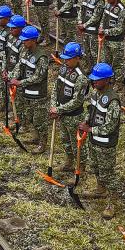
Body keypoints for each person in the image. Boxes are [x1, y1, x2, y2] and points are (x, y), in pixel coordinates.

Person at [78, 62, 121, 219]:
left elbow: (110, 126)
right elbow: (91, 111)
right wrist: (86, 122)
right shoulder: (95, 93)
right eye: (93, 79)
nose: (94, 82)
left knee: (108, 174)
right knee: (95, 167)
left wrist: (91, 130)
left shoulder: (113, 101)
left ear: (107, 80)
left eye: (97, 79)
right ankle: (100, 188)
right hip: (93, 140)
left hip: (106, 144)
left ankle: (112, 203)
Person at [50, 42, 89, 182]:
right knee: (65, 140)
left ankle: (81, 168)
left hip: (74, 116)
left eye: (69, 58)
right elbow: (56, 87)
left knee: (76, 144)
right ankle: (69, 161)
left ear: (78, 58)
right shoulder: (63, 69)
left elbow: (77, 101)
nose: (65, 61)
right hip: (61, 114)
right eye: (65, 58)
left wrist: (58, 109)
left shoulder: (81, 78)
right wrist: (54, 106)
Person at [9, 25, 50, 154]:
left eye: (25, 40)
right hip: (26, 91)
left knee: (40, 120)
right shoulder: (24, 51)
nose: (23, 42)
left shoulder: (42, 57)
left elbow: (38, 77)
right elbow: (19, 66)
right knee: (30, 116)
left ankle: (43, 143)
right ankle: (35, 137)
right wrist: (11, 77)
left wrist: (20, 82)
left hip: (38, 94)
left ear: (33, 40)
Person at [98, 0, 125, 78]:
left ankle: (118, 83)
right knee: (105, 62)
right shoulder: (107, 6)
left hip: (116, 42)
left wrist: (105, 32)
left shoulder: (122, 10)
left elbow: (119, 29)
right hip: (106, 40)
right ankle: (106, 79)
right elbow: (103, 19)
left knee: (117, 65)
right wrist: (101, 28)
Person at [78, 0, 105, 72]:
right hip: (84, 30)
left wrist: (84, 25)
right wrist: (80, 22)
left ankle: (96, 70)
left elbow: (96, 17)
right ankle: (88, 67)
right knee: (86, 51)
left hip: (93, 32)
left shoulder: (99, 1)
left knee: (94, 53)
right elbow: (81, 10)